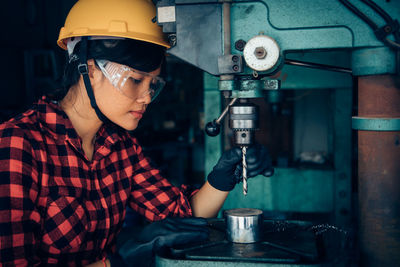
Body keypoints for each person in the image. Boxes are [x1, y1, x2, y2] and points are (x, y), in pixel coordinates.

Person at [0, 0, 273, 266]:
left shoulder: (120, 146)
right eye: (135, 80)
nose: (146, 97)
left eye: (153, 84)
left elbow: (181, 217)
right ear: (91, 70)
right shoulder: (18, 146)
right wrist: (116, 262)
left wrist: (221, 178)